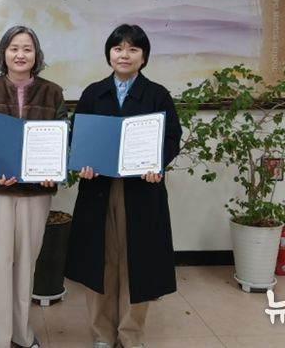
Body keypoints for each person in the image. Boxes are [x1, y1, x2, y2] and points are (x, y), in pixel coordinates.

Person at [65, 23, 182, 348]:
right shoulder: (93, 93)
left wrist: (157, 163)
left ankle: (131, 334)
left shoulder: (157, 94)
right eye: (118, 48)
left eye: (133, 49)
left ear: (144, 56)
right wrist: (83, 162)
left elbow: (172, 137)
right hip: (98, 189)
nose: (124, 55)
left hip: (141, 191)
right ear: (109, 54)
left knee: (137, 261)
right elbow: (77, 135)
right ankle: (102, 333)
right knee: (100, 260)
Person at [0, 25, 67, 348]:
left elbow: (62, 138)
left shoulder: (53, 93)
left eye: (27, 48)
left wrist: (54, 171)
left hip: (35, 193)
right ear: (3, 53)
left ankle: (21, 335)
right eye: (14, 48)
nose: (20, 54)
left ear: (36, 55)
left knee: (26, 266)